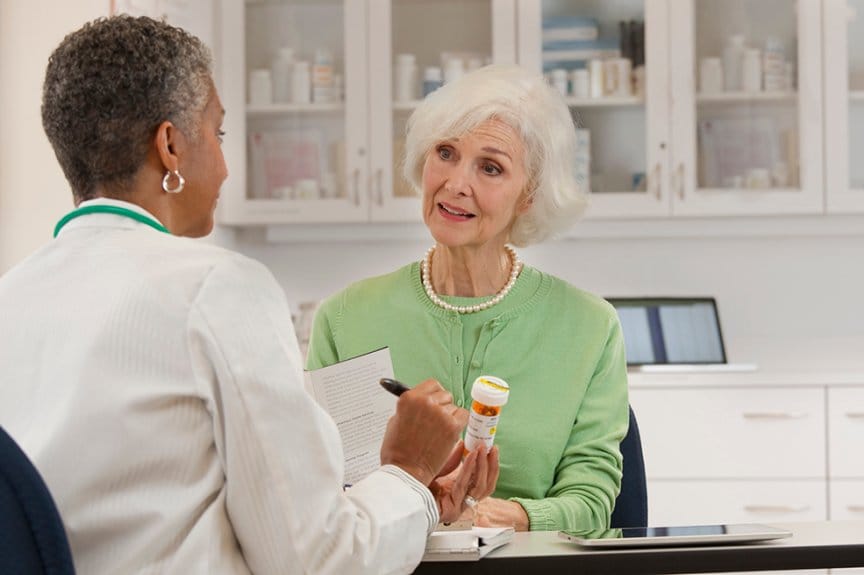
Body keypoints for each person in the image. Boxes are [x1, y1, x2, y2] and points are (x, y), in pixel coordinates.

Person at [0, 15, 497, 574]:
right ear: (170, 147)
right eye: (218, 133)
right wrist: (407, 472)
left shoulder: (10, 297)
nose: (225, 164)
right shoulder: (216, 289)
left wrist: (421, 501)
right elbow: (317, 561)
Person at [308, 64, 629, 532]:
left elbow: (592, 502)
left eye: (491, 167)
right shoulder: (344, 317)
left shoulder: (590, 327)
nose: (456, 183)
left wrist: (504, 516)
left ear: (529, 195)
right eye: (446, 153)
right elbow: (322, 489)